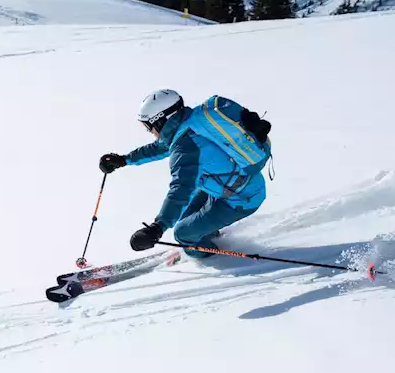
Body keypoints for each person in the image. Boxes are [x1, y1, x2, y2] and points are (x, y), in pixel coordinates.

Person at [98, 89, 271, 257]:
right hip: (228, 184)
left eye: (148, 127)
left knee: (183, 234)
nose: (150, 132)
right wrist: (124, 159)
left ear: (160, 121)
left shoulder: (186, 149)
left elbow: (180, 190)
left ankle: (214, 255)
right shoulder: (190, 124)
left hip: (241, 199)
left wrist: (158, 228)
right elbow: (162, 147)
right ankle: (205, 233)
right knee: (186, 217)